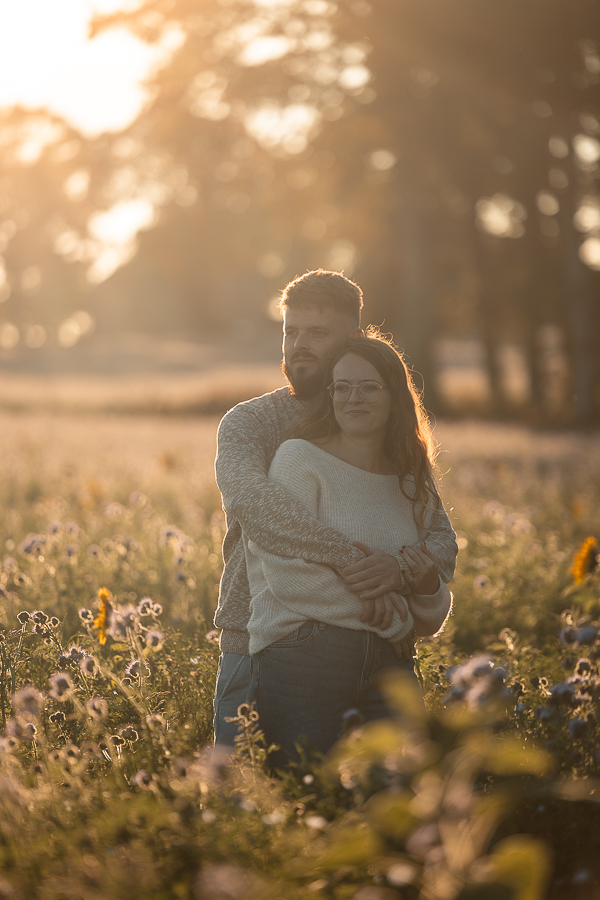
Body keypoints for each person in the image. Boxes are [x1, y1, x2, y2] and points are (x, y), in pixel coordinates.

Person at [213, 269, 457, 753]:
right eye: (291, 332)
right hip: (258, 636)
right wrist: (358, 566)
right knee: (257, 793)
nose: (299, 345)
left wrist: (397, 571)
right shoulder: (252, 422)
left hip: (378, 644)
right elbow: (258, 508)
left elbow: (442, 541)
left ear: (354, 337)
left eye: (317, 333)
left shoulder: (385, 432)